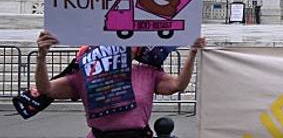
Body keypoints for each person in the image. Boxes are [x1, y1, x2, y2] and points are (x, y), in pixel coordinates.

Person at [33, 31, 205, 138]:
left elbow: (178, 85)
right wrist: (41, 56)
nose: (125, 48)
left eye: (131, 45)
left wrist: (192, 54)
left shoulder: (146, 72)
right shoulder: (85, 74)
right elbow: (46, 89)